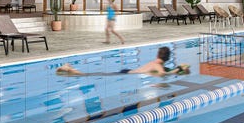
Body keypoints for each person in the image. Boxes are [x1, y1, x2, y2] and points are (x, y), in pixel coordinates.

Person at [57, 46, 190, 77]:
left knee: (96, 74)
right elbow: (163, 75)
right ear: (167, 57)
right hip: (127, 74)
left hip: (127, 71)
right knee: (89, 75)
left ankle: (69, 69)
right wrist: (178, 69)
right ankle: (69, 69)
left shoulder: (155, 63)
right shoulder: (157, 65)